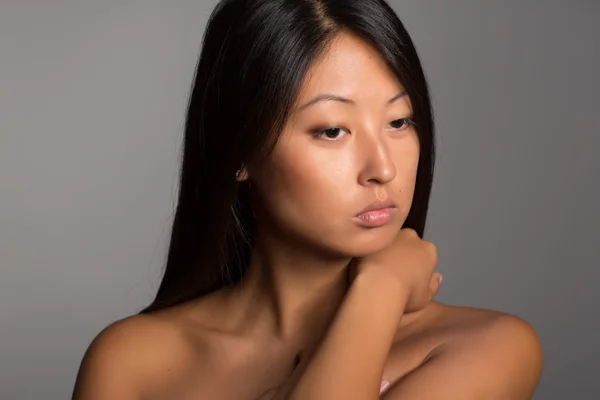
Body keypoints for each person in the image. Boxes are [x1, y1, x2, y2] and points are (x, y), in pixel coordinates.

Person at [72, 0, 544, 398]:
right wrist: (383, 285)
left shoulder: (488, 347)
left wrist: (379, 289)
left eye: (399, 122)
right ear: (241, 151)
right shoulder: (131, 363)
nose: (384, 169)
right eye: (333, 130)